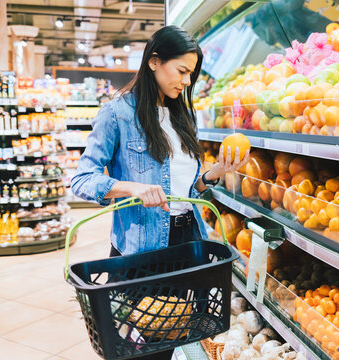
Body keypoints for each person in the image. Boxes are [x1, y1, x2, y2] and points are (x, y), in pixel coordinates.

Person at [71, 26, 249, 359]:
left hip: (186, 248)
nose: (186, 81)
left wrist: (216, 173)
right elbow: (82, 179)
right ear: (154, 61)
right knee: (140, 349)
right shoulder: (117, 114)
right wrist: (132, 188)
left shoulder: (182, 115)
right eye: (181, 71)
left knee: (168, 342)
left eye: (191, 74)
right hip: (142, 252)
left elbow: (185, 188)